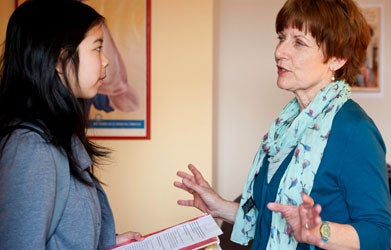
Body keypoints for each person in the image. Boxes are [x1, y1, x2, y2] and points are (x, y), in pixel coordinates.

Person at [174, 0, 391, 249]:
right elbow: (272, 221)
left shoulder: (354, 130)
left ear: (337, 58)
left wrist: (320, 231)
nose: (279, 52)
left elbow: (381, 234)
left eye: (298, 42)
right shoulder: (287, 126)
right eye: (281, 38)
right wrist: (220, 207)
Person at [0, 0, 142, 249]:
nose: (106, 61)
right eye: (97, 48)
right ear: (58, 58)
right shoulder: (30, 148)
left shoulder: (60, 134)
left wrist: (108, 242)